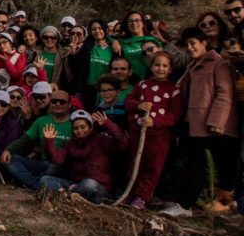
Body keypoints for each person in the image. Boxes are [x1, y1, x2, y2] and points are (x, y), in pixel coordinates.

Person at [161, 27, 239, 217]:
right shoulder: (192, 65)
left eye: (193, 43)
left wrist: (217, 121)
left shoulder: (219, 64)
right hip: (192, 124)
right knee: (189, 163)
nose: (189, 48)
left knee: (201, 165)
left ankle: (186, 205)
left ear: (204, 42)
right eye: (186, 44)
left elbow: (224, 93)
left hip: (209, 127)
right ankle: (185, 203)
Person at [121, 51, 182, 209]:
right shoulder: (142, 85)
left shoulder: (173, 90)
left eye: (164, 66)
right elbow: (128, 102)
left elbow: (174, 116)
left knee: (152, 167)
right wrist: (138, 105)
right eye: (157, 65)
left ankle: (142, 197)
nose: (160, 68)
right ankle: (128, 192)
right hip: (139, 134)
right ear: (151, 67)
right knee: (135, 163)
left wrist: (154, 121)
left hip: (159, 137)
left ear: (170, 69)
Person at [39, 109, 129, 203]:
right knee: (45, 180)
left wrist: (107, 124)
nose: (79, 131)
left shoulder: (101, 139)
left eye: (83, 127)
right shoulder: (71, 143)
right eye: (76, 128)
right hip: (75, 184)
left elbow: (122, 143)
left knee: (89, 184)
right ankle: (71, 196)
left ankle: (67, 196)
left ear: (90, 128)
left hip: (97, 186)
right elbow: (57, 160)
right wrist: (49, 141)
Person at [0, 90, 74, 190]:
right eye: (54, 101)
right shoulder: (42, 121)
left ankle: (40, 182)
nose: (57, 104)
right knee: (11, 159)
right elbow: (25, 141)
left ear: (69, 105)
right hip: (43, 164)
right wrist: (8, 150)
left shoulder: (75, 124)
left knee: (55, 167)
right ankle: (38, 185)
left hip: (62, 166)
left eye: (62, 102)